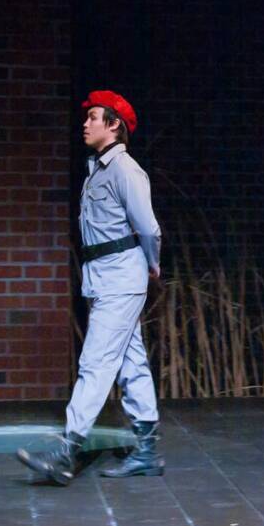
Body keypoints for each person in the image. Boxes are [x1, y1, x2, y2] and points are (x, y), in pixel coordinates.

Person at [16, 90, 164, 485]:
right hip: (105, 274)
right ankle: (147, 451)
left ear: (114, 125)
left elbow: (148, 227)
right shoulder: (96, 170)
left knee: (95, 362)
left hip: (121, 274)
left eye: (94, 116)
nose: (86, 122)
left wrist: (153, 264)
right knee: (130, 364)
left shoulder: (124, 169)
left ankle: (67, 450)